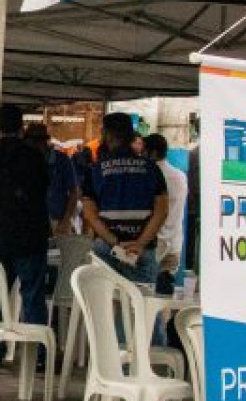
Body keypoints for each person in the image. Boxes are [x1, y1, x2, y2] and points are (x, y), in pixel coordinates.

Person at [79, 112, 168, 284]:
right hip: (141, 252)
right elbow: (162, 211)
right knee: (142, 306)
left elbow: (90, 214)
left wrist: (115, 243)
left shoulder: (96, 170)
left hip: (106, 249)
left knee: (104, 306)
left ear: (107, 134)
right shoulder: (151, 169)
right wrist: (140, 243)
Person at [0, 106, 52, 325]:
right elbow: (43, 188)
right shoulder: (33, 156)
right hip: (31, 236)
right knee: (33, 296)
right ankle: (37, 351)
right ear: (20, 127)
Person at [143, 133, 188, 287]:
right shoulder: (181, 176)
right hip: (174, 242)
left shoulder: (149, 177)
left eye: (144, 151)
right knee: (166, 293)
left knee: (146, 292)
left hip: (152, 245)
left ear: (153, 153)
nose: (142, 155)